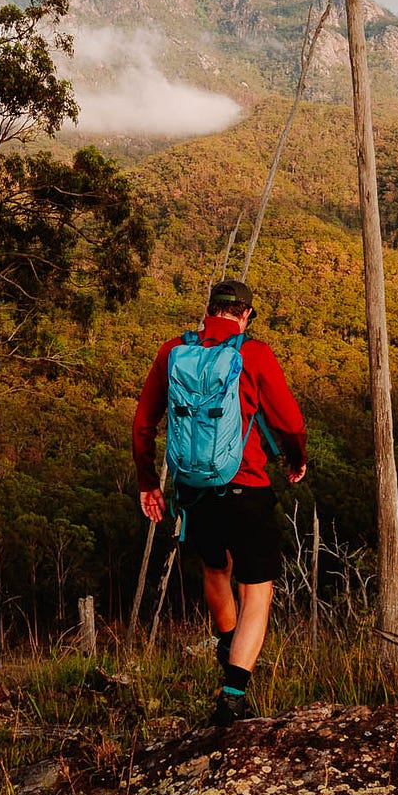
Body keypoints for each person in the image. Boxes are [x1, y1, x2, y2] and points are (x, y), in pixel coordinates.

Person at [132, 277, 307, 726]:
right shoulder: (254, 354)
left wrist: (148, 481)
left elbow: (143, 422)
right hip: (247, 486)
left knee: (215, 569)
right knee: (257, 590)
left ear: (208, 309)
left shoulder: (173, 351)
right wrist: (296, 458)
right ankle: (233, 693)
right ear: (245, 315)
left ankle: (228, 644)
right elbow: (290, 421)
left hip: (193, 490)